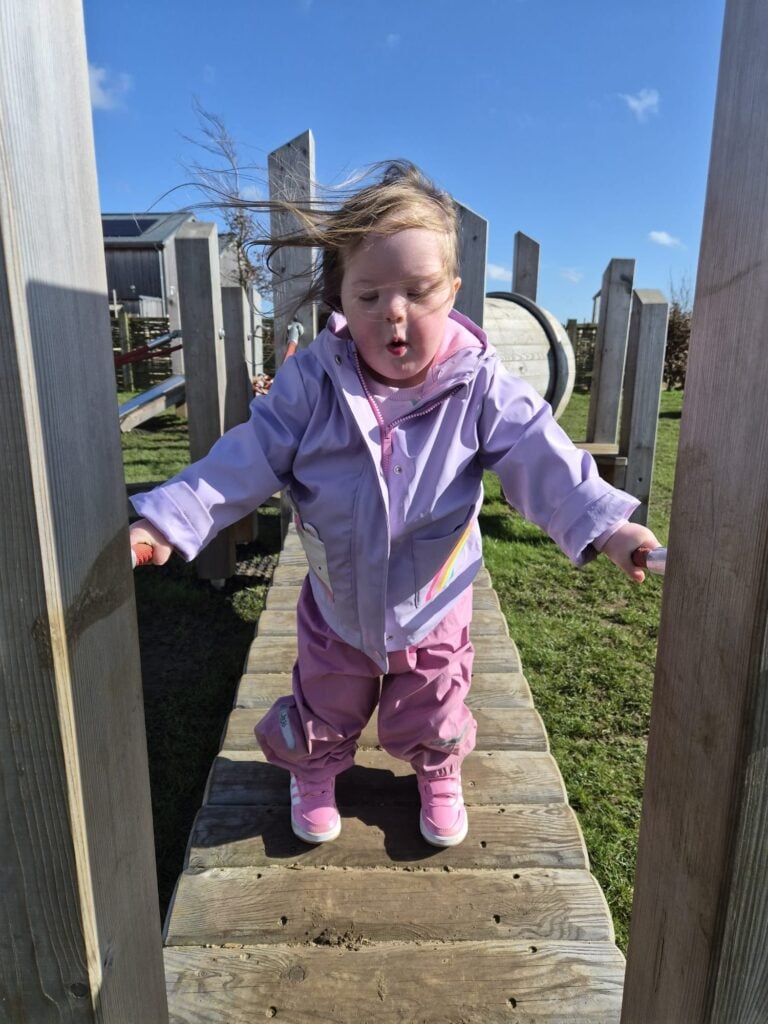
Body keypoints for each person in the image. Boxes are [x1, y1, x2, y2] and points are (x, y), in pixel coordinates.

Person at [129, 161, 660, 849]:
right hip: (340, 597)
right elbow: (249, 454)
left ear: (453, 291)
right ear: (341, 302)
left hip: (434, 599)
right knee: (326, 697)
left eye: (418, 290)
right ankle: (314, 768)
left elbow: (541, 454)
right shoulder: (313, 382)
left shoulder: (478, 385)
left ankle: (438, 769)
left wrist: (609, 526)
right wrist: (169, 518)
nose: (395, 312)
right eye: (371, 294)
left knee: (434, 701)